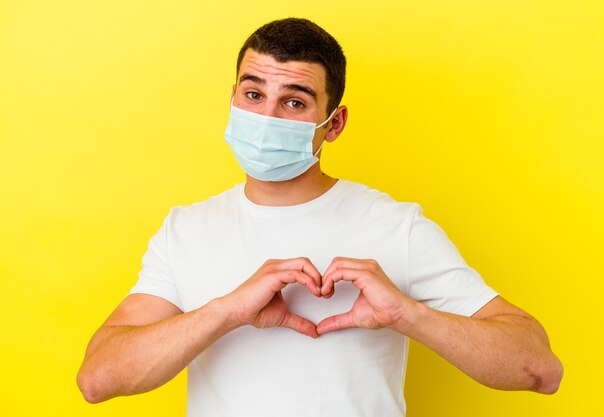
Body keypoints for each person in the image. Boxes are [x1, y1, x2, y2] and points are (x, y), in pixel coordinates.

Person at [77, 18, 563, 417]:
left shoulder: (397, 226)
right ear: (232, 97)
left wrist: (408, 315)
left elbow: (539, 368)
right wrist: (226, 311)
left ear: (334, 124)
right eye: (253, 95)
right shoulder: (185, 228)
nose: (267, 117)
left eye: (294, 102)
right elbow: (98, 378)